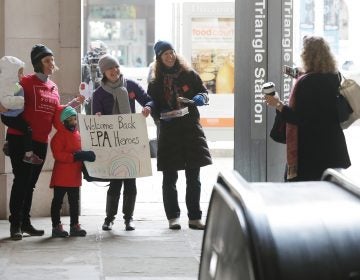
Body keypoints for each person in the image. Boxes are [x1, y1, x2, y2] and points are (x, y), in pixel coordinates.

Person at [6, 44, 84, 240]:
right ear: (37, 63)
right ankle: (15, 224)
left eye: (52, 60)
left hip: (40, 142)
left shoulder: (54, 87)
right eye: (47, 60)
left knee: (30, 184)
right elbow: (8, 106)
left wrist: (74, 104)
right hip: (21, 140)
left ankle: (25, 222)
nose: (52, 63)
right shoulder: (24, 83)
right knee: (21, 181)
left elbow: (57, 112)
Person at [265, 35, 351, 181]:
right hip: (333, 149)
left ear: (306, 55)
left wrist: (278, 104)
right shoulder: (334, 76)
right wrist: (297, 74)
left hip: (311, 154)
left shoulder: (307, 82)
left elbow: (302, 119)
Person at [147, 40, 212, 230]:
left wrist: (201, 98)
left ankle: (194, 217)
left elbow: (203, 92)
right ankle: (173, 217)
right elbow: (153, 105)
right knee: (170, 177)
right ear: (159, 58)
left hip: (191, 129)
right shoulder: (155, 82)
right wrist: (159, 116)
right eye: (165, 54)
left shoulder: (189, 75)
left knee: (194, 176)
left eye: (172, 52)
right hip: (169, 132)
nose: (170, 56)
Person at [92, 54, 153, 231]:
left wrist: (148, 107)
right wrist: (97, 117)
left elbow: (149, 100)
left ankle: (129, 218)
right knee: (115, 182)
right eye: (110, 69)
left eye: (116, 67)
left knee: (131, 182)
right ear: (103, 72)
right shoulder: (99, 93)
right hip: (112, 144)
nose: (114, 71)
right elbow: (95, 116)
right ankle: (109, 218)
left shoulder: (131, 85)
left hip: (132, 140)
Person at [50, 106, 96, 237]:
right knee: (57, 202)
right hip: (61, 176)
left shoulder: (77, 135)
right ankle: (56, 226)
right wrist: (75, 156)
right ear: (63, 121)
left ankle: (74, 225)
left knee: (74, 203)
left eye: (74, 119)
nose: (73, 122)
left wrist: (87, 170)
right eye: (70, 119)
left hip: (74, 175)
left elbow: (81, 153)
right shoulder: (58, 137)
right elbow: (58, 155)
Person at [0, 56, 43, 164]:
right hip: (9, 116)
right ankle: (28, 155)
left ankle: (8, 144)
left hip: (11, 115)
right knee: (27, 130)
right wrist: (20, 101)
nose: (22, 76)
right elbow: (5, 102)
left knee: (16, 126)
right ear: (11, 73)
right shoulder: (6, 86)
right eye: (20, 73)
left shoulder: (10, 84)